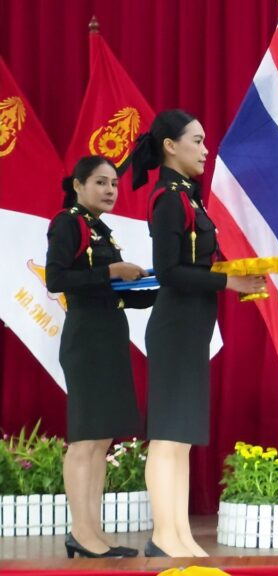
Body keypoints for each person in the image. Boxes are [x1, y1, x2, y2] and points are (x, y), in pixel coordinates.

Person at [128, 109, 265, 558]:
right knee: (167, 436)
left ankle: (180, 533)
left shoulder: (189, 197)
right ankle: (162, 535)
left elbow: (199, 264)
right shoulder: (169, 198)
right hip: (175, 327)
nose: (206, 150)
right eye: (198, 140)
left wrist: (239, 273)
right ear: (170, 146)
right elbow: (169, 271)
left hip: (191, 326)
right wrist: (229, 281)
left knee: (181, 438)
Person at [46, 155, 155, 558]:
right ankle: (81, 531)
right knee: (85, 439)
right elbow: (56, 278)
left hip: (109, 336)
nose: (110, 190)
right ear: (78, 185)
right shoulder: (68, 222)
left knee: (102, 439)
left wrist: (163, 286)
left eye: (114, 183)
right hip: (87, 340)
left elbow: (115, 293)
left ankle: (93, 530)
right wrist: (113, 272)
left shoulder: (99, 229)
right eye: (100, 182)